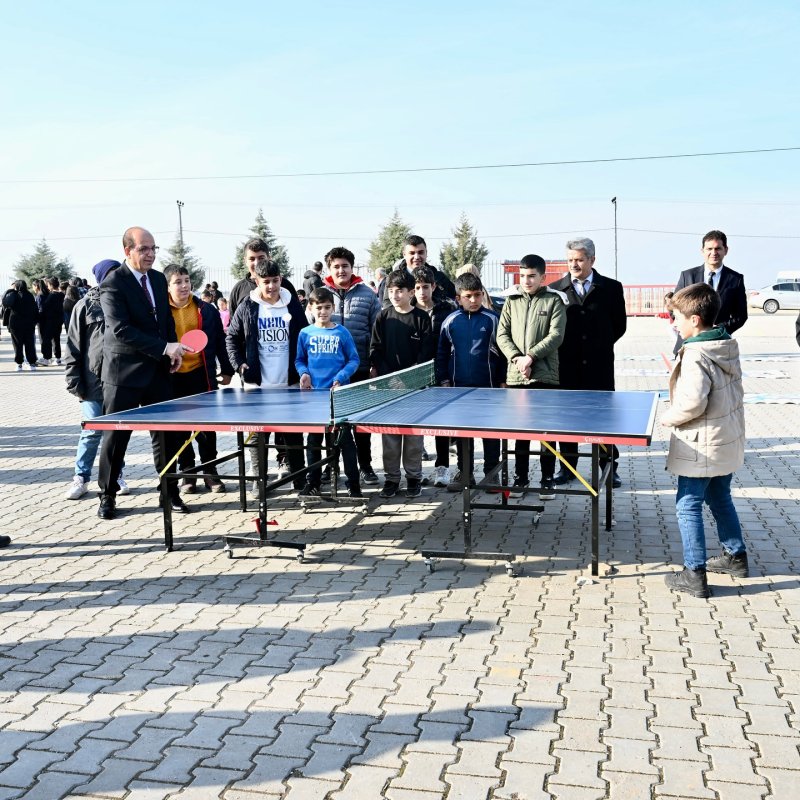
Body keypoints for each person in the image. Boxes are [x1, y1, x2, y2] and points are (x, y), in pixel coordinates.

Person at [96, 227, 191, 520]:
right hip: (123, 374)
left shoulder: (159, 279)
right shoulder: (113, 284)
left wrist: (172, 353)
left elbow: (164, 321)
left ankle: (169, 492)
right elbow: (121, 330)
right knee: (116, 438)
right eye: (143, 249)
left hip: (157, 371)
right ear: (127, 251)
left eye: (153, 248)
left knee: (166, 436)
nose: (150, 254)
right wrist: (165, 347)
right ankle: (107, 496)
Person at [661, 283, 747, 599]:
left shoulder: (696, 353)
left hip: (702, 443)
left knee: (688, 504)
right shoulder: (724, 344)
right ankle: (735, 556)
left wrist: (667, 417)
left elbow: (693, 403)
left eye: (677, 318)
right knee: (720, 496)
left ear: (695, 320)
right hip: (724, 438)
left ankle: (694, 573)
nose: (674, 323)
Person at [549, 237, 628, 487]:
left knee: (602, 419)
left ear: (592, 260)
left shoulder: (612, 288)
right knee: (567, 419)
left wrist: (597, 345)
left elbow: (619, 325)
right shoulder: (556, 289)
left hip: (599, 366)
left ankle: (608, 467)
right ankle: (567, 467)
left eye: (579, 260)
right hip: (566, 365)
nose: (574, 264)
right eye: (570, 260)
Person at [226, 258, 308, 490]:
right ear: (256, 282)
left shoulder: (292, 304)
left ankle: (299, 482)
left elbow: (303, 337)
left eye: (274, 281)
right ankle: (258, 481)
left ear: (280, 280)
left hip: (289, 383)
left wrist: (303, 369)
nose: (271, 286)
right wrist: (238, 363)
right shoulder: (247, 306)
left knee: (293, 438)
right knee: (257, 438)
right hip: (257, 386)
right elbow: (231, 337)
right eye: (265, 282)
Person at [496, 254, 567, 499]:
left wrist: (531, 357)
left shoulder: (554, 301)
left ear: (542, 277)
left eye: (531, 276)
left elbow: (556, 335)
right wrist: (517, 359)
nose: (526, 281)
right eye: (523, 276)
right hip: (517, 377)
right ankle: (521, 479)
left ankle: (547, 480)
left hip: (545, 376)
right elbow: (502, 335)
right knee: (521, 433)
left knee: (546, 432)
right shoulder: (511, 301)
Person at [64, 260, 131, 500]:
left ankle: (116, 475)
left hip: (119, 380)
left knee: (116, 432)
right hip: (92, 381)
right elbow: (73, 346)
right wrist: (74, 380)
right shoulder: (83, 306)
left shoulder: (126, 302)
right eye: (111, 274)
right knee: (91, 431)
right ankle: (81, 477)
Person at [165, 263, 235, 494]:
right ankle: (187, 472)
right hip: (173, 378)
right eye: (178, 282)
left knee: (206, 427)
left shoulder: (206, 309)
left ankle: (210, 472)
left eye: (186, 280)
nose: (184, 286)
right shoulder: (160, 311)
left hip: (201, 375)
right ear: (167, 286)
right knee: (179, 429)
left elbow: (219, 342)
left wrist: (227, 369)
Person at [318, 246, 382, 485]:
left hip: (360, 369)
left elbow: (377, 332)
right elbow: (311, 330)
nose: (341, 270)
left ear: (352, 268)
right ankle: (329, 466)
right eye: (336, 266)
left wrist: (373, 362)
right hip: (328, 373)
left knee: (360, 423)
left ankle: (365, 466)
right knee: (331, 423)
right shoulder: (320, 294)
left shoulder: (367, 294)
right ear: (329, 269)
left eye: (345, 266)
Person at [436, 272, 505, 492]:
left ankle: (491, 475)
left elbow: (502, 353)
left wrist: (502, 381)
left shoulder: (493, 319)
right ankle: (465, 473)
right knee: (463, 433)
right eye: (468, 296)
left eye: (477, 295)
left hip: (489, 387)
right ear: (458, 298)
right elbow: (442, 352)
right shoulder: (450, 321)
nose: (474, 300)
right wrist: (444, 379)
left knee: (490, 432)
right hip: (459, 389)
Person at [369, 269, 435, 498]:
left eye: (400, 291)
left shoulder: (422, 318)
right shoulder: (383, 317)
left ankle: (414, 478)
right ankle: (391, 479)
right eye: (391, 291)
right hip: (390, 387)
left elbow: (427, 353)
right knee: (390, 437)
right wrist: (391, 378)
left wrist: (410, 378)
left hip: (415, 388)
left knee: (414, 437)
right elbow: (375, 350)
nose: (395, 295)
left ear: (410, 293)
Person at [295, 287, 362, 499]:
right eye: (318, 308)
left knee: (346, 443)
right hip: (314, 397)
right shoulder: (305, 333)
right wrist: (304, 373)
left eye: (326, 307)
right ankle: (313, 482)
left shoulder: (342, 332)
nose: (322, 311)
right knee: (314, 441)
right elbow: (300, 360)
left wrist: (341, 377)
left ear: (333, 308)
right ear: (311, 308)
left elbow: (354, 360)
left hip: (339, 397)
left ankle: (353, 485)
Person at [413, 265, 456, 486]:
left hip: (441, 371)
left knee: (441, 422)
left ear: (434, 286)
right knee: (416, 422)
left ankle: (442, 468)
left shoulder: (446, 310)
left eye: (426, 287)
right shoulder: (408, 311)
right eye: (418, 287)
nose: (422, 291)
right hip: (415, 374)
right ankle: (416, 471)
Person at [673, 230, 747, 356]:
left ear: (726, 250)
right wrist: (694, 327)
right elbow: (674, 308)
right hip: (688, 345)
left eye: (718, 248)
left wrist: (716, 330)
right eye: (709, 249)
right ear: (702, 251)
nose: (713, 253)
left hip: (718, 347)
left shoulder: (736, 279)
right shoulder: (687, 276)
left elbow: (740, 316)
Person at [378, 235, 455, 308]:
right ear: (404, 254)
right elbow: (387, 304)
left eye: (420, 252)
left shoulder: (439, 278)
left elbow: (454, 299)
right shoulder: (393, 279)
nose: (417, 257)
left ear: (426, 253)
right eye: (412, 253)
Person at [228, 238, 298, 315]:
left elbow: (298, 318)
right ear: (245, 261)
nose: (256, 263)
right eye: (252, 259)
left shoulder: (285, 286)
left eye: (261, 258)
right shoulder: (238, 290)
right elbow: (235, 323)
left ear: (269, 258)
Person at [2, 280, 39, 371]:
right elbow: (35, 309)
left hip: (15, 324)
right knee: (29, 344)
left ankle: (19, 364)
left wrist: (9, 290)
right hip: (29, 324)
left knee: (17, 344)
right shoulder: (30, 295)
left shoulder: (13, 295)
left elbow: (5, 303)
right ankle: (32, 364)